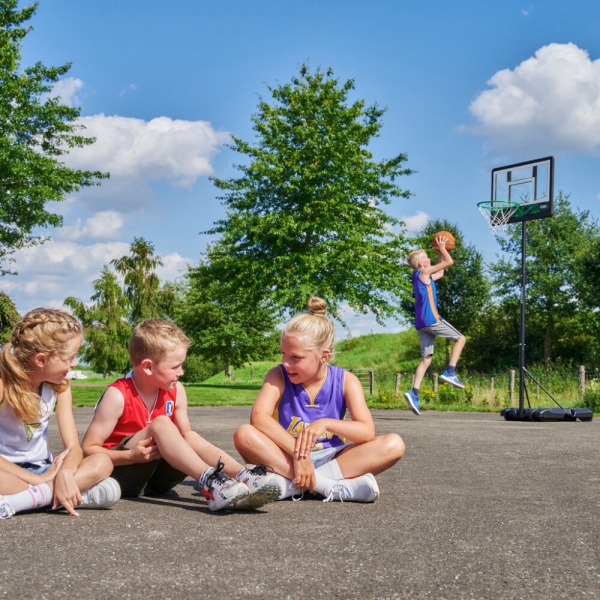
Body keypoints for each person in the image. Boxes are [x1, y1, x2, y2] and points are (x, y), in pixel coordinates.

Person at [81, 318, 281, 511]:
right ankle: (211, 482)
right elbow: (88, 450)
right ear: (148, 367)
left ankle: (242, 476)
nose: (181, 372)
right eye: (175, 366)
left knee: (187, 435)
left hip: (157, 482)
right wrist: (130, 455)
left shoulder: (176, 391)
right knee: (161, 423)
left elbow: (189, 438)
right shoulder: (117, 395)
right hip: (120, 477)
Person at [233, 296, 405, 503]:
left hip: (333, 458)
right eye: (283, 354)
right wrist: (300, 455)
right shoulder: (277, 375)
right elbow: (259, 418)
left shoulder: (346, 380)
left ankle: (291, 486)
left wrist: (325, 423)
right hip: (287, 457)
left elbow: (367, 432)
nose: (286, 363)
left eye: (295, 357)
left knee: (394, 444)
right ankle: (328, 486)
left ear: (324, 356)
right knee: (244, 434)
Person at [0, 308, 120, 520]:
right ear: (41, 359)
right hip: (9, 473)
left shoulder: (60, 387)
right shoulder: (3, 384)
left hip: (45, 471)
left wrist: (64, 473)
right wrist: (36, 479)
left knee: (102, 462)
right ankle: (64, 495)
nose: (73, 364)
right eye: (69, 358)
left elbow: (73, 448)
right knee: (108, 489)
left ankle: (23, 501)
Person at [404, 235, 467, 415]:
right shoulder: (424, 273)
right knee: (460, 339)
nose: (429, 259)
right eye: (427, 258)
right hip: (432, 320)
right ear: (422, 265)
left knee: (426, 359)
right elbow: (450, 262)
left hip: (420, 324)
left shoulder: (421, 276)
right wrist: (443, 250)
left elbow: (441, 272)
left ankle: (414, 393)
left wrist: (439, 253)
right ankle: (450, 372)